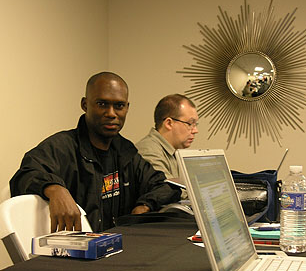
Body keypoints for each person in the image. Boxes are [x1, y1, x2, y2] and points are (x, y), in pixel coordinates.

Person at [10, 72, 181, 232]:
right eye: (102, 104)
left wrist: (145, 205)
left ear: (127, 108)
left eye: (119, 106)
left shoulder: (125, 151)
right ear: (85, 105)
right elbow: (25, 174)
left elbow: (164, 186)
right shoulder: (61, 147)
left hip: (121, 247)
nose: (111, 113)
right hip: (76, 254)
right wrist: (55, 189)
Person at [136, 94, 198, 181]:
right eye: (190, 124)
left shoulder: (174, 152)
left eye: (195, 124)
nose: (195, 130)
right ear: (169, 123)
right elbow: (170, 192)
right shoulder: (149, 152)